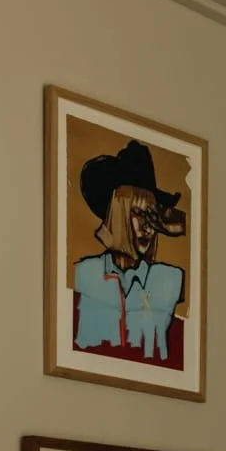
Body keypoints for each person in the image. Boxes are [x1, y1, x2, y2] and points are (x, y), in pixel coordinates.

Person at [73, 138, 186, 362]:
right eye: (137, 213)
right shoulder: (83, 273)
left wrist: (183, 224)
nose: (148, 227)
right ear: (117, 216)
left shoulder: (171, 279)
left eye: (152, 217)